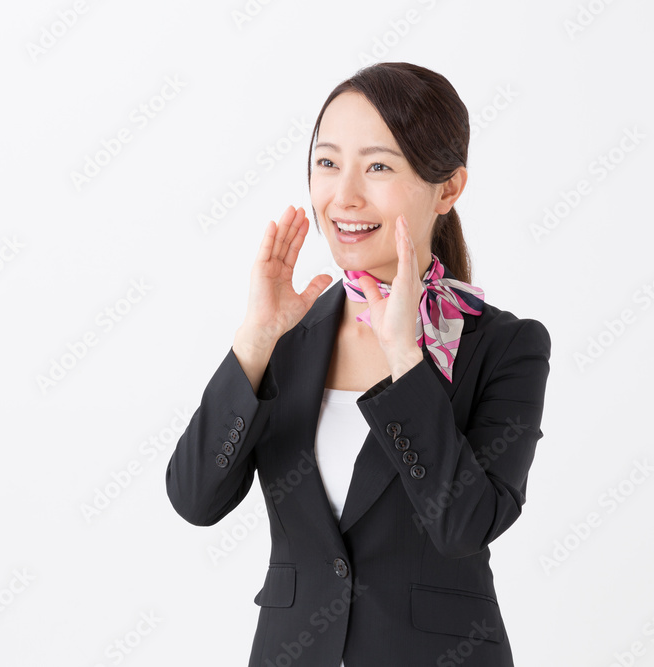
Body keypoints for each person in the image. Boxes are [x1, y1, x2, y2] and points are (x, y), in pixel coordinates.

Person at [165, 62, 551, 666]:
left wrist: (405, 357)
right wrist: (255, 340)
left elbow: (463, 526)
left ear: (447, 188)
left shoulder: (505, 347)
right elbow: (195, 498)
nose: (343, 196)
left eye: (377, 166)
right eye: (327, 162)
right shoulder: (288, 337)